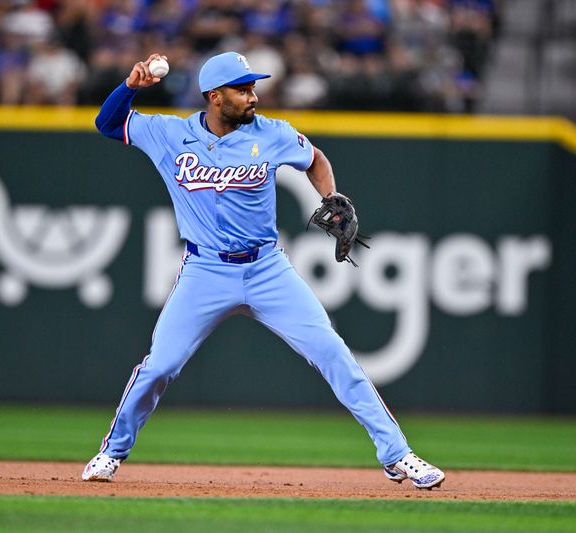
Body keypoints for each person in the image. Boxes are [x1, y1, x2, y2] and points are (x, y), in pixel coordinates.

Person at [81, 50, 445, 491]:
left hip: (268, 269)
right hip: (205, 271)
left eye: (253, 87)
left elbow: (316, 161)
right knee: (159, 366)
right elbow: (107, 124)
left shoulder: (272, 134)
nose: (253, 96)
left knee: (333, 352)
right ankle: (111, 452)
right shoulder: (168, 134)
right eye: (242, 89)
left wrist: (331, 197)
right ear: (215, 97)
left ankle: (397, 454)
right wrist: (131, 88)